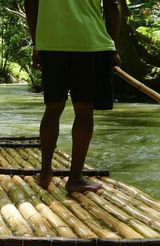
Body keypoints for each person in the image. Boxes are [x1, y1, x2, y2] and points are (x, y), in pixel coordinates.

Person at [24, 0, 121, 193]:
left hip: (52, 45)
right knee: (84, 110)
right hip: (91, 43)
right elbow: (112, 5)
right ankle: (75, 178)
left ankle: (44, 174)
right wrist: (114, 47)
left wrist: (38, 43)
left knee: (53, 108)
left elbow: (30, 3)